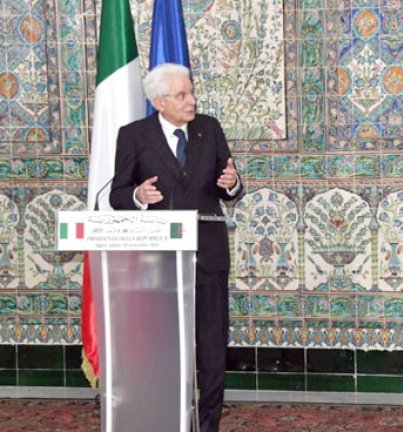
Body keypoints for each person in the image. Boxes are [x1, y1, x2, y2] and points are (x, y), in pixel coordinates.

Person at [109, 63, 243, 432]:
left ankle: (209, 424)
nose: (191, 100)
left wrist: (231, 183)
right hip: (159, 261)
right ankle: (166, 419)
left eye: (191, 92)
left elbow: (229, 185)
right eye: (182, 95)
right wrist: (138, 195)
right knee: (161, 347)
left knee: (212, 347)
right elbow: (118, 195)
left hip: (208, 256)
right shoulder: (134, 135)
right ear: (159, 102)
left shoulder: (209, 129)